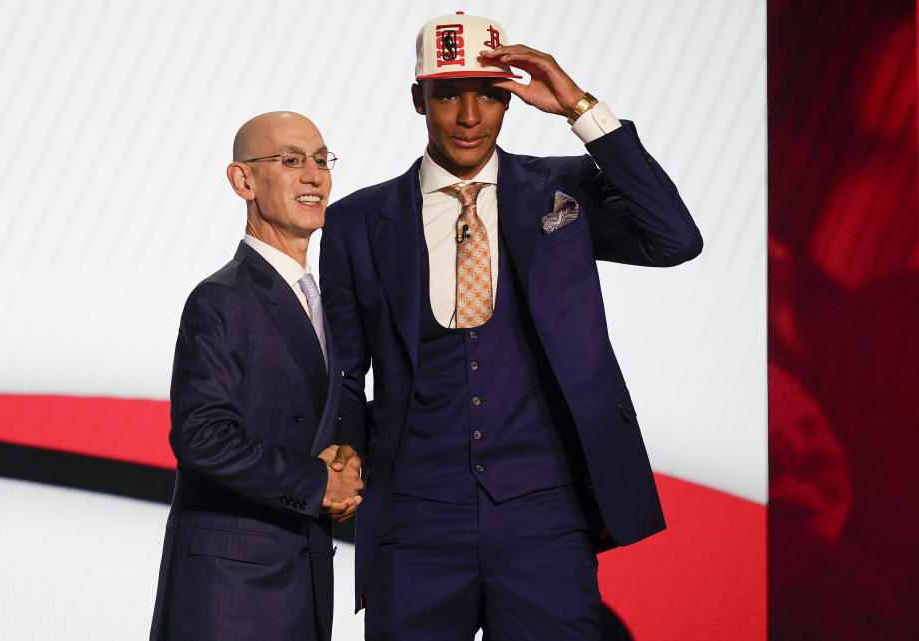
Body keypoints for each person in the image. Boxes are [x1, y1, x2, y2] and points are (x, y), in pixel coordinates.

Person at [320, 11, 703, 640]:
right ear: (419, 99)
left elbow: (674, 239)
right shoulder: (359, 219)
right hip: (415, 521)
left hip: (544, 517)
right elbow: (343, 365)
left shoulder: (562, 189)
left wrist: (580, 109)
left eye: (490, 95)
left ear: (510, 99)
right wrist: (344, 452)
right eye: (448, 95)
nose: (470, 117)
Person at [149, 111, 363, 641]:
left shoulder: (324, 302)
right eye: (290, 160)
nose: (313, 175)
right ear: (243, 180)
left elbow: (326, 414)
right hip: (231, 589)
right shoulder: (221, 297)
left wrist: (351, 459)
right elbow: (202, 438)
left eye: (321, 160)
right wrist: (318, 483)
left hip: (301, 574)